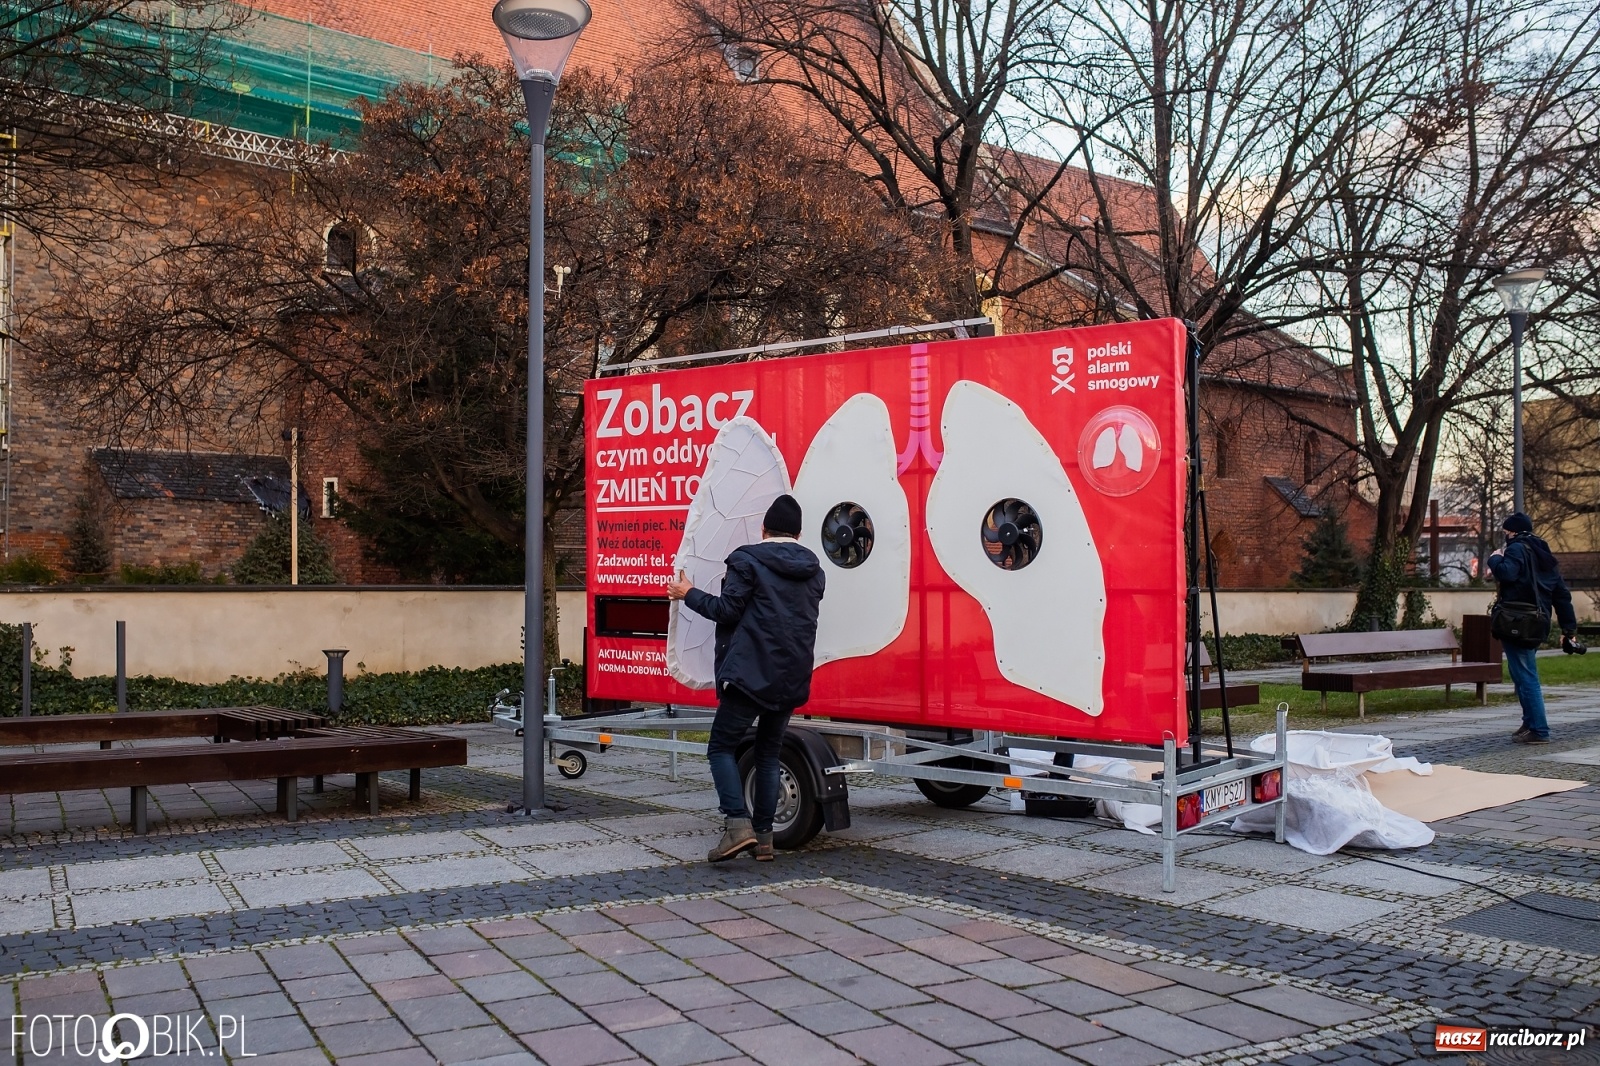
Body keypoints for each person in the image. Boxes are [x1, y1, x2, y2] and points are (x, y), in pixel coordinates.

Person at [666, 494, 825, 861]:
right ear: (798, 535)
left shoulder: (746, 560)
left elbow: (727, 610)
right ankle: (765, 839)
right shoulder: (815, 572)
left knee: (720, 747)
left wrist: (687, 593)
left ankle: (737, 825)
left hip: (749, 675)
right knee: (768, 755)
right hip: (790, 677)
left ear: (764, 529)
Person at [1487, 512, 1577, 744]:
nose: (1505, 536)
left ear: (1513, 532)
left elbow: (1507, 573)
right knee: (1521, 674)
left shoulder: (1516, 549)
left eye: (1506, 532)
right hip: (1537, 623)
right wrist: (1569, 629)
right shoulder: (1544, 554)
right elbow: (1562, 596)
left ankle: (1538, 729)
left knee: (1526, 676)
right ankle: (1529, 723)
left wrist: (1495, 558)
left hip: (1518, 622)